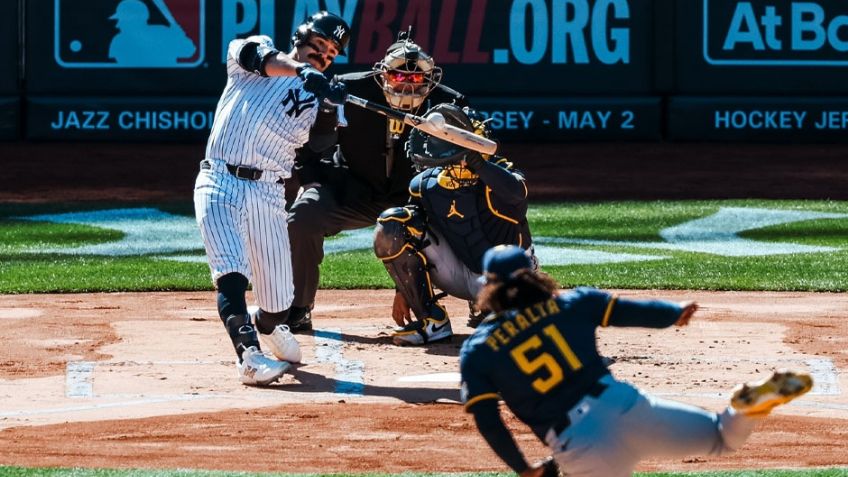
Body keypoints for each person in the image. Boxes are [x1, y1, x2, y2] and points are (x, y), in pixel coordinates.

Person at [459, 244, 814, 477]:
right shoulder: (573, 303)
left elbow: (489, 421)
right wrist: (674, 312)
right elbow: (629, 311)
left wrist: (522, 469)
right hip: (625, 403)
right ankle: (745, 407)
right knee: (722, 437)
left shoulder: (478, 349)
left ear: (489, 287)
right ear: (535, 274)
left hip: (578, 441)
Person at [193, 11, 350, 386]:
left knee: (279, 303)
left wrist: (328, 104)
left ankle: (268, 324)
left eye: (332, 52)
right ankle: (248, 357)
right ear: (302, 36)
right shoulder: (254, 53)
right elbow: (258, 59)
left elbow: (321, 143)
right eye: (320, 45)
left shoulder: (320, 94)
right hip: (219, 179)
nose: (325, 55)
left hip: (267, 192)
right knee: (231, 271)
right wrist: (299, 70)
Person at [283, 30, 467, 333]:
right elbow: (308, 141)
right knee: (303, 215)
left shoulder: (448, 105)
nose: (407, 83)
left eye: (416, 78)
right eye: (399, 76)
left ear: (431, 78)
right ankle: (299, 307)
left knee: (474, 211)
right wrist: (311, 182)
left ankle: (473, 303)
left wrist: (403, 287)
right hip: (351, 189)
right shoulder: (347, 90)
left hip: (415, 201)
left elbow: (461, 168)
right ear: (383, 73)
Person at [373, 104, 535, 345]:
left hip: (508, 278)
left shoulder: (501, 173)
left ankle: (496, 310)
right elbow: (406, 235)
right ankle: (432, 320)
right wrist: (403, 290)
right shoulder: (425, 185)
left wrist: (478, 164)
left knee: (507, 337)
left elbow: (516, 194)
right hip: (457, 273)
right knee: (392, 224)